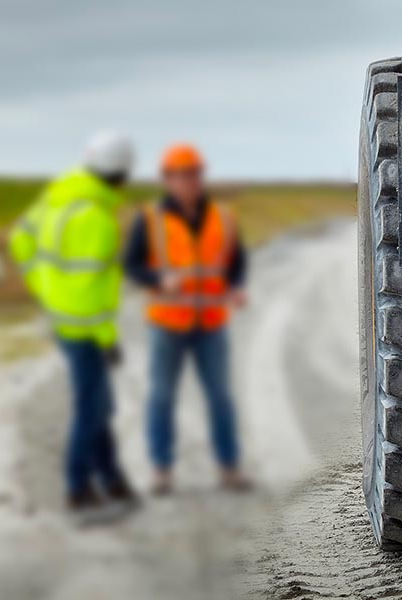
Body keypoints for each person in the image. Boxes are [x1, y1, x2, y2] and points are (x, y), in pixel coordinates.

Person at [9, 131, 139, 524]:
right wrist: (108, 341)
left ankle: (112, 479)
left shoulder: (57, 197)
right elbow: (98, 296)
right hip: (85, 332)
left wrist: (44, 289)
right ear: (121, 174)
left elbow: (20, 241)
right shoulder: (98, 219)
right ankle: (78, 489)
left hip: (61, 324)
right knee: (92, 408)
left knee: (100, 404)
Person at [124, 143, 250, 494]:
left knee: (220, 397)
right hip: (169, 322)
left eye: (195, 173)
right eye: (182, 175)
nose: (190, 181)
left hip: (211, 322)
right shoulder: (151, 220)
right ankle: (161, 470)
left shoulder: (221, 217)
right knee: (162, 396)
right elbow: (132, 265)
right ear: (167, 179)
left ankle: (229, 468)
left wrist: (236, 286)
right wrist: (157, 280)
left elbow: (236, 261)